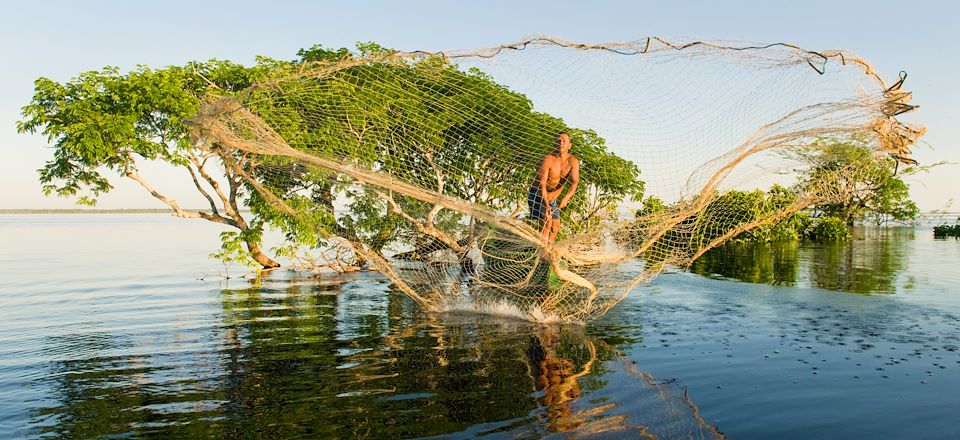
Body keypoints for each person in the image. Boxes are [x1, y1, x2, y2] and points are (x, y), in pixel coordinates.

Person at [529, 132, 580, 244]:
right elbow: (542, 184)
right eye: (558, 141)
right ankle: (542, 252)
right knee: (547, 222)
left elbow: (574, 183)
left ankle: (548, 249)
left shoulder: (573, 162)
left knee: (555, 226)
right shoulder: (548, 160)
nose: (561, 143)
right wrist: (546, 204)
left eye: (564, 141)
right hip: (538, 194)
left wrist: (566, 197)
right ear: (554, 144)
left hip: (552, 199)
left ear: (569, 145)